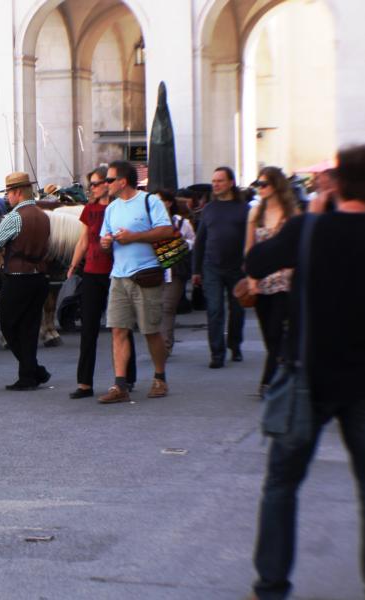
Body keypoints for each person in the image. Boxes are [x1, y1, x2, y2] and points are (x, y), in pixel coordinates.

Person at [246, 144, 365, 600]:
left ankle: (270, 586)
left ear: (336, 185)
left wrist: (310, 221)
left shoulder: (310, 228)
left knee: (281, 486)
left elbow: (255, 264)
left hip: (307, 376)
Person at [98, 160, 174, 403]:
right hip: (119, 276)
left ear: (122, 181)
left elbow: (166, 231)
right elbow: (103, 238)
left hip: (146, 274)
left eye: (109, 180)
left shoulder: (149, 201)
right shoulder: (111, 208)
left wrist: (134, 237)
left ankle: (160, 377)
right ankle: (120, 385)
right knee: (118, 330)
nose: (105, 184)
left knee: (150, 330)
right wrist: (106, 242)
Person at [66, 167, 137, 399]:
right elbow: (83, 241)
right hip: (91, 272)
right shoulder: (90, 209)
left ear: (108, 184)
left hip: (116, 272)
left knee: (122, 327)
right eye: (91, 184)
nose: (92, 188)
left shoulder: (118, 209)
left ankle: (127, 378)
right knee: (88, 329)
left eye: (95, 184)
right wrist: (72, 266)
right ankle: (84, 383)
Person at [0, 171, 52, 391]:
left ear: (17, 192)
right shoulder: (43, 216)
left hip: (17, 278)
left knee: (8, 325)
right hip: (39, 277)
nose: (7, 198)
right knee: (30, 328)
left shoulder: (15, 217)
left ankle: (33, 371)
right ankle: (28, 375)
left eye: (8, 193)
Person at [245, 166, 300, 393]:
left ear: (277, 185)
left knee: (277, 330)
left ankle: (268, 381)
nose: (260, 188)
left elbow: (297, 249)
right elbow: (249, 249)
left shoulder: (292, 214)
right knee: (269, 332)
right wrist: (250, 277)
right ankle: (284, 367)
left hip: (285, 280)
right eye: (258, 184)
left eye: (264, 184)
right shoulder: (255, 212)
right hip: (261, 279)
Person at [191, 166, 250, 368]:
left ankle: (235, 345)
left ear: (231, 183)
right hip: (212, 267)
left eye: (220, 181)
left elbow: (251, 240)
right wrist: (196, 270)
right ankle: (217, 353)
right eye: (214, 181)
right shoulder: (208, 209)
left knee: (237, 310)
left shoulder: (244, 209)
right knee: (214, 310)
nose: (215, 184)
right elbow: (200, 241)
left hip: (237, 268)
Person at [156, 189, 195, 356]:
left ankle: (165, 346)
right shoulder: (149, 222)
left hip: (174, 271)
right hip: (153, 271)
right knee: (155, 308)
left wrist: (176, 248)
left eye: (160, 201)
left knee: (167, 307)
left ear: (169, 203)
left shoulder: (180, 223)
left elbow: (192, 241)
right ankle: (157, 344)